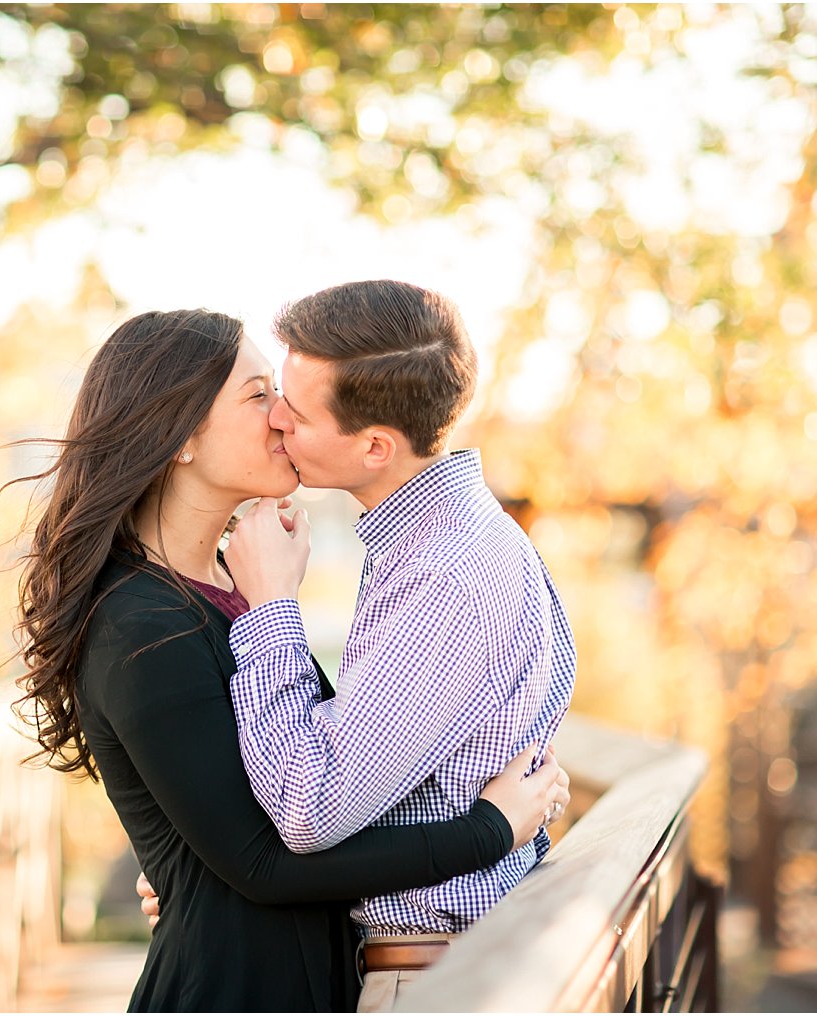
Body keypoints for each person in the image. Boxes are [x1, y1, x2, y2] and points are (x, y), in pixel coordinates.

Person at [7, 308, 570, 1012]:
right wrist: (486, 832)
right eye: (257, 395)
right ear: (178, 437)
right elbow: (265, 863)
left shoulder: (226, 591)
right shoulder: (139, 624)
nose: (283, 417)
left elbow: (296, 789)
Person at [220, 280, 578, 1011]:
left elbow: (310, 803)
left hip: (433, 982)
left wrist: (270, 607)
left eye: (297, 407)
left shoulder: (442, 573)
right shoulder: (443, 541)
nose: (276, 419)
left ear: (376, 446)